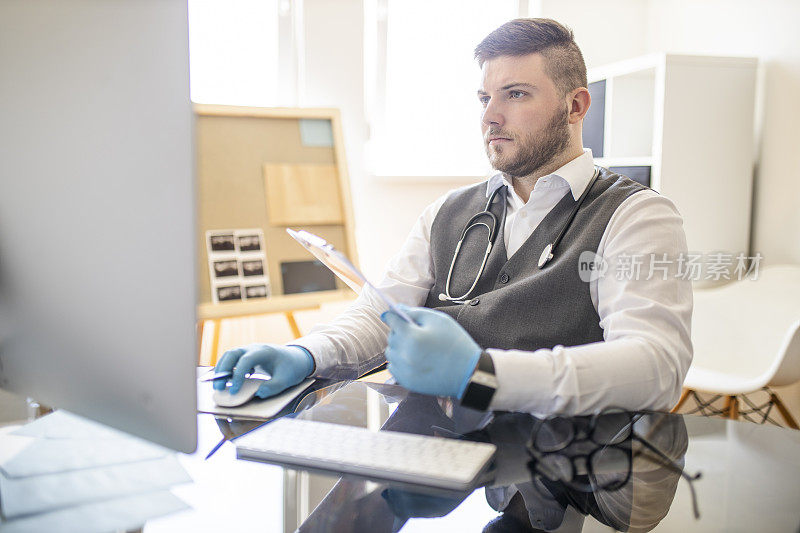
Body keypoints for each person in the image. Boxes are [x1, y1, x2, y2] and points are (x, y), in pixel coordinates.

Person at [214, 18, 692, 415]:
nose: (490, 116)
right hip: (440, 455)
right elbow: (382, 316)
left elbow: (657, 366)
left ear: (575, 105)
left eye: (516, 94)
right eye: (485, 98)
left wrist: (481, 375)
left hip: (564, 476)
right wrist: (304, 352)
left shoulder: (637, 217)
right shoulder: (447, 212)